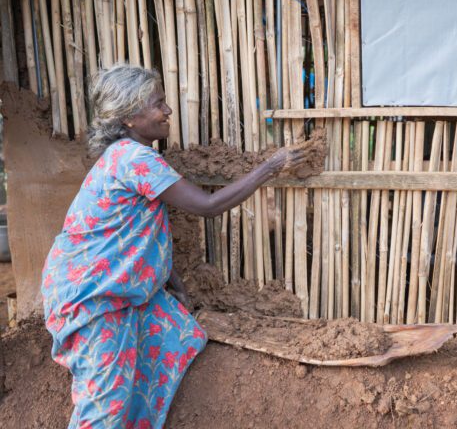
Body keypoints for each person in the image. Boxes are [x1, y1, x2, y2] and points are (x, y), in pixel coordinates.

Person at [41, 64, 312, 428]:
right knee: (103, 405)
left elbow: (135, 232)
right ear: (130, 117)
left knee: (177, 335)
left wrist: (173, 283)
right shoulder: (135, 159)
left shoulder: (125, 157)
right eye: (158, 103)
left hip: (110, 291)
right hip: (93, 299)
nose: (167, 110)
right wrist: (271, 166)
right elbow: (208, 206)